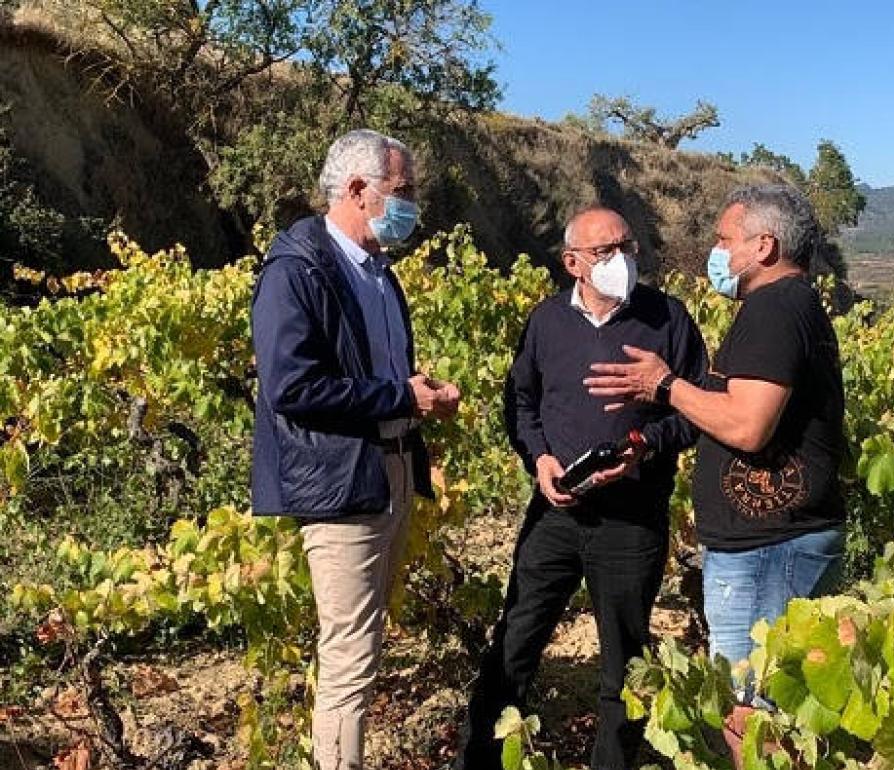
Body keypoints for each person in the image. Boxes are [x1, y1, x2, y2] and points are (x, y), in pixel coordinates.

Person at [584, 184, 848, 749]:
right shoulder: (794, 305)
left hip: (768, 550)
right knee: (774, 715)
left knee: (754, 720)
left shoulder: (775, 309)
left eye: (726, 240)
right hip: (779, 543)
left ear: (765, 246)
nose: (718, 252)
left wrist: (665, 385)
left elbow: (747, 426)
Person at [457, 206, 708, 770]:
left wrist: (644, 444)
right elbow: (520, 403)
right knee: (516, 640)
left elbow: (696, 413)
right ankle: (477, 761)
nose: (620, 259)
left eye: (627, 247)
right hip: (554, 514)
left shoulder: (668, 318)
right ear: (572, 263)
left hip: (632, 519)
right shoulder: (547, 322)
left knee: (624, 660)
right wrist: (539, 459)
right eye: (603, 252)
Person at [251, 128, 461, 770]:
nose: (412, 204)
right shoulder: (297, 270)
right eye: (403, 190)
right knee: (349, 656)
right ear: (356, 189)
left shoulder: (377, 274)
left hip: (390, 469)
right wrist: (401, 397)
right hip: (340, 481)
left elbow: (382, 379)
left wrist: (419, 398)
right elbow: (291, 386)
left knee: (366, 645)